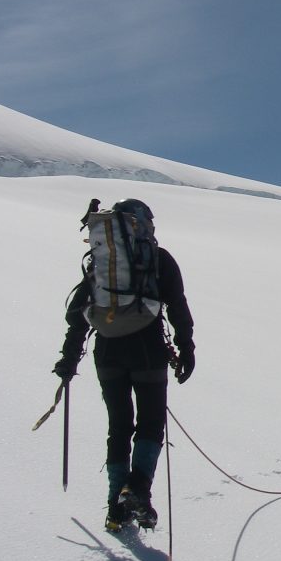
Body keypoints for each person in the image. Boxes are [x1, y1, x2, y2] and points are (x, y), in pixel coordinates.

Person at [53, 198, 195, 532]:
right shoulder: (159, 260)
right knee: (150, 423)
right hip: (147, 349)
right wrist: (186, 349)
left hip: (108, 352)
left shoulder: (101, 266)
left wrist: (69, 358)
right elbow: (178, 307)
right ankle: (138, 489)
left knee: (119, 425)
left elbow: (78, 314)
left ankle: (115, 507)